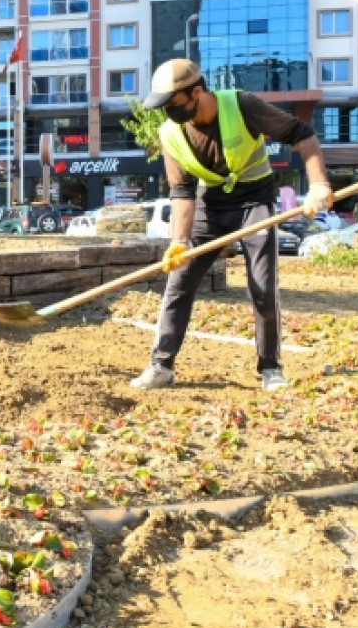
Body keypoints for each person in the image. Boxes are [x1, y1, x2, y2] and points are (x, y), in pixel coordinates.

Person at [132, 59, 333, 392]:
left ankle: (270, 368)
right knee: (178, 282)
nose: (168, 111)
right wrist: (179, 241)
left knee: (262, 286)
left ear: (197, 91)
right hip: (210, 206)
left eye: (173, 103)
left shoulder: (241, 105)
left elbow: (302, 134)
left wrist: (318, 185)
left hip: (255, 202)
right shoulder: (169, 132)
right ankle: (161, 366)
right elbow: (182, 191)